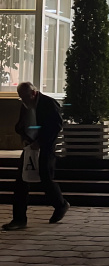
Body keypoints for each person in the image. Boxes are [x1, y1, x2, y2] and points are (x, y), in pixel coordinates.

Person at [2, 82, 69, 231]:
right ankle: (19, 219)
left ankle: (60, 204)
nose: (23, 100)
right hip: (30, 146)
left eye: (25, 97)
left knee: (45, 177)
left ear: (33, 93)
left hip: (45, 147)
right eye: (21, 98)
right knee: (21, 181)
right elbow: (21, 124)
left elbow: (55, 126)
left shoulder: (49, 103)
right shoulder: (26, 104)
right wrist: (24, 135)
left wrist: (40, 142)